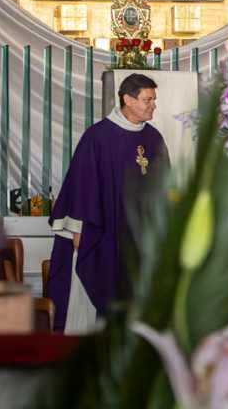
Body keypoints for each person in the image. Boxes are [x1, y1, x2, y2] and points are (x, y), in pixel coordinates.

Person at [46, 73, 169, 333]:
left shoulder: (154, 139)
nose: (153, 105)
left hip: (140, 236)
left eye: (153, 99)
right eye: (147, 100)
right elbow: (82, 185)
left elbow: (164, 186)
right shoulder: (98, 137)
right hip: (104, 230)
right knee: (100, 287)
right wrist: (79, 229)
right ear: (127, 99)